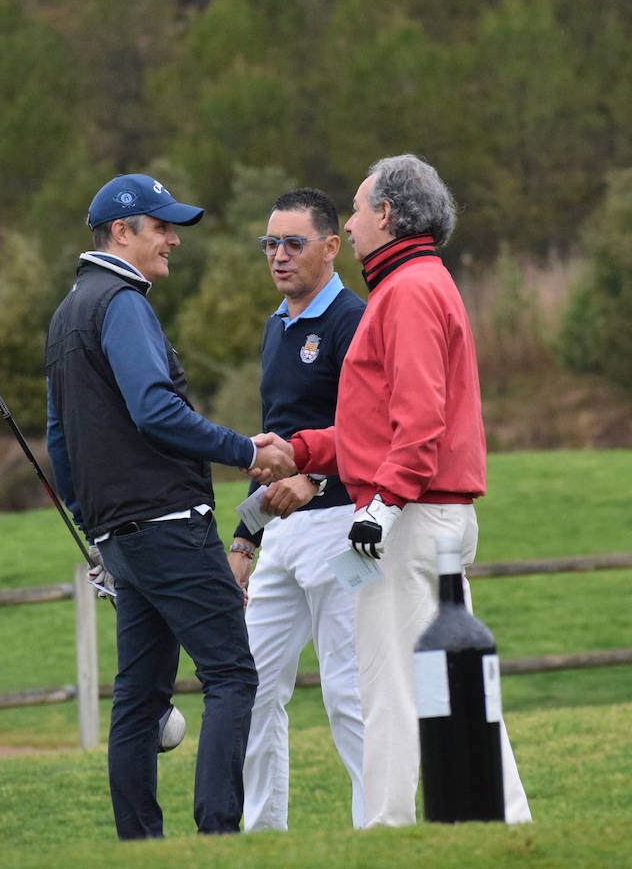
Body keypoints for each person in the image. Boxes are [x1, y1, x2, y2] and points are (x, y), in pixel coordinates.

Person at [44, 172, 296, 841]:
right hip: (166, 525)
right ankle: (217, 838)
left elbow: (58, 440)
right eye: (161, 228)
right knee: (233, 675)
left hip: (122, 539)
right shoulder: (122, 303)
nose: (173, 241)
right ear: (122, 233)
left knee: (140, 698)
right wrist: (244, 450)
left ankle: (141, 848)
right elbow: (155, 410)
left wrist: (91, 525)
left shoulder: (68, 311)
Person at [285, 154, 532, 828]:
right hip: (425, 513)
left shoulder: (409, 290)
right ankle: (504, 820)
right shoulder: (416, 283)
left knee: (389, 682)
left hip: (410, 516)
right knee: (455, 683)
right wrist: (303, 450)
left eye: (359, 209)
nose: (353, 222)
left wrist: (383, 508)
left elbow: (419, 422)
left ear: (387, 215)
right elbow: (380, 425)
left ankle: (388, 827)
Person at [226, 188, 367, 832]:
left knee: (349, 692)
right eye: (269, 244)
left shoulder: (352, 321)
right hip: (281, 537)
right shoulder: (274, 325)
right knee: (251, 688)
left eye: (292, 243)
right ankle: (263, 835)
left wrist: (314, 479)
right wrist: (244, 538)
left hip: (344, 526)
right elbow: (272, 445)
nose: (278, 257)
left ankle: (381, 826)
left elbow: (370, 431)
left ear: (331, 247)